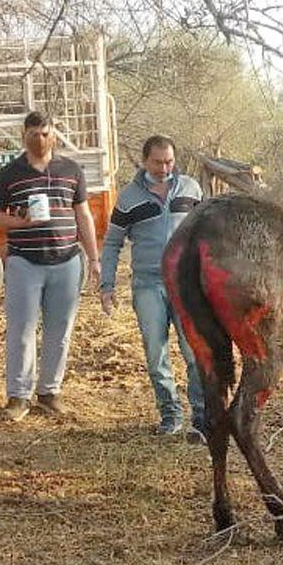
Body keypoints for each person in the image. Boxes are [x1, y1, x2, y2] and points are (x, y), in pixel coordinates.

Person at [0, 111, 101, 422]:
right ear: (23, 135)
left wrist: (93, 258)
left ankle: (49, 392)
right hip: (25, 261)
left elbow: (84, 216)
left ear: (55, 134)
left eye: (45, 133)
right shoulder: (10, 173)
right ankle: (18, 397)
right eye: (34, 133)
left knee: (59, 330)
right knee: (21, 330)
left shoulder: (71, 169)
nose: (40, 139)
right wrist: (18, 221)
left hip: (66, 260)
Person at [98, 135, 207, 440]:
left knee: (194, 351)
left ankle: (201, 416)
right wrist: (107, 285)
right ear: (145, 161)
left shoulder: (191, 189)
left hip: (186, 283)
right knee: (156, 351)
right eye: (158, 162)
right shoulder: (128, 197)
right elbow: (113, 243)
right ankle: (170, 414)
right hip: (148, 283)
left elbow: (207, 235)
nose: (164, 167)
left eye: (169, 161)